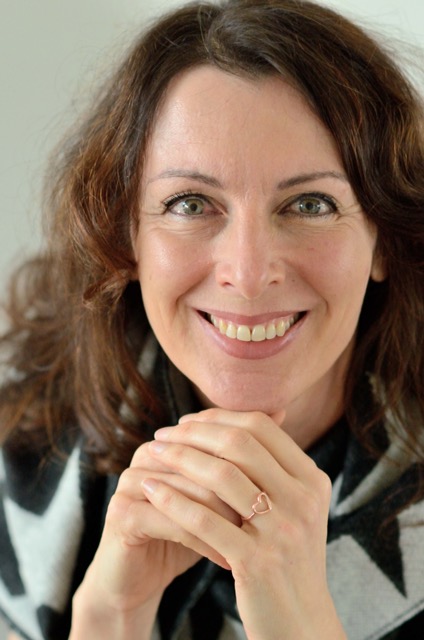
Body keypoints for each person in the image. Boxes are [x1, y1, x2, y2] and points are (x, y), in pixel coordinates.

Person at [0, 0, 423, 638]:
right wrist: (110, 616)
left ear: (384, 239)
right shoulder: (23, 457)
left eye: (310, 204)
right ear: (125, 237)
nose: (247, 274)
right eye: (191, 203)